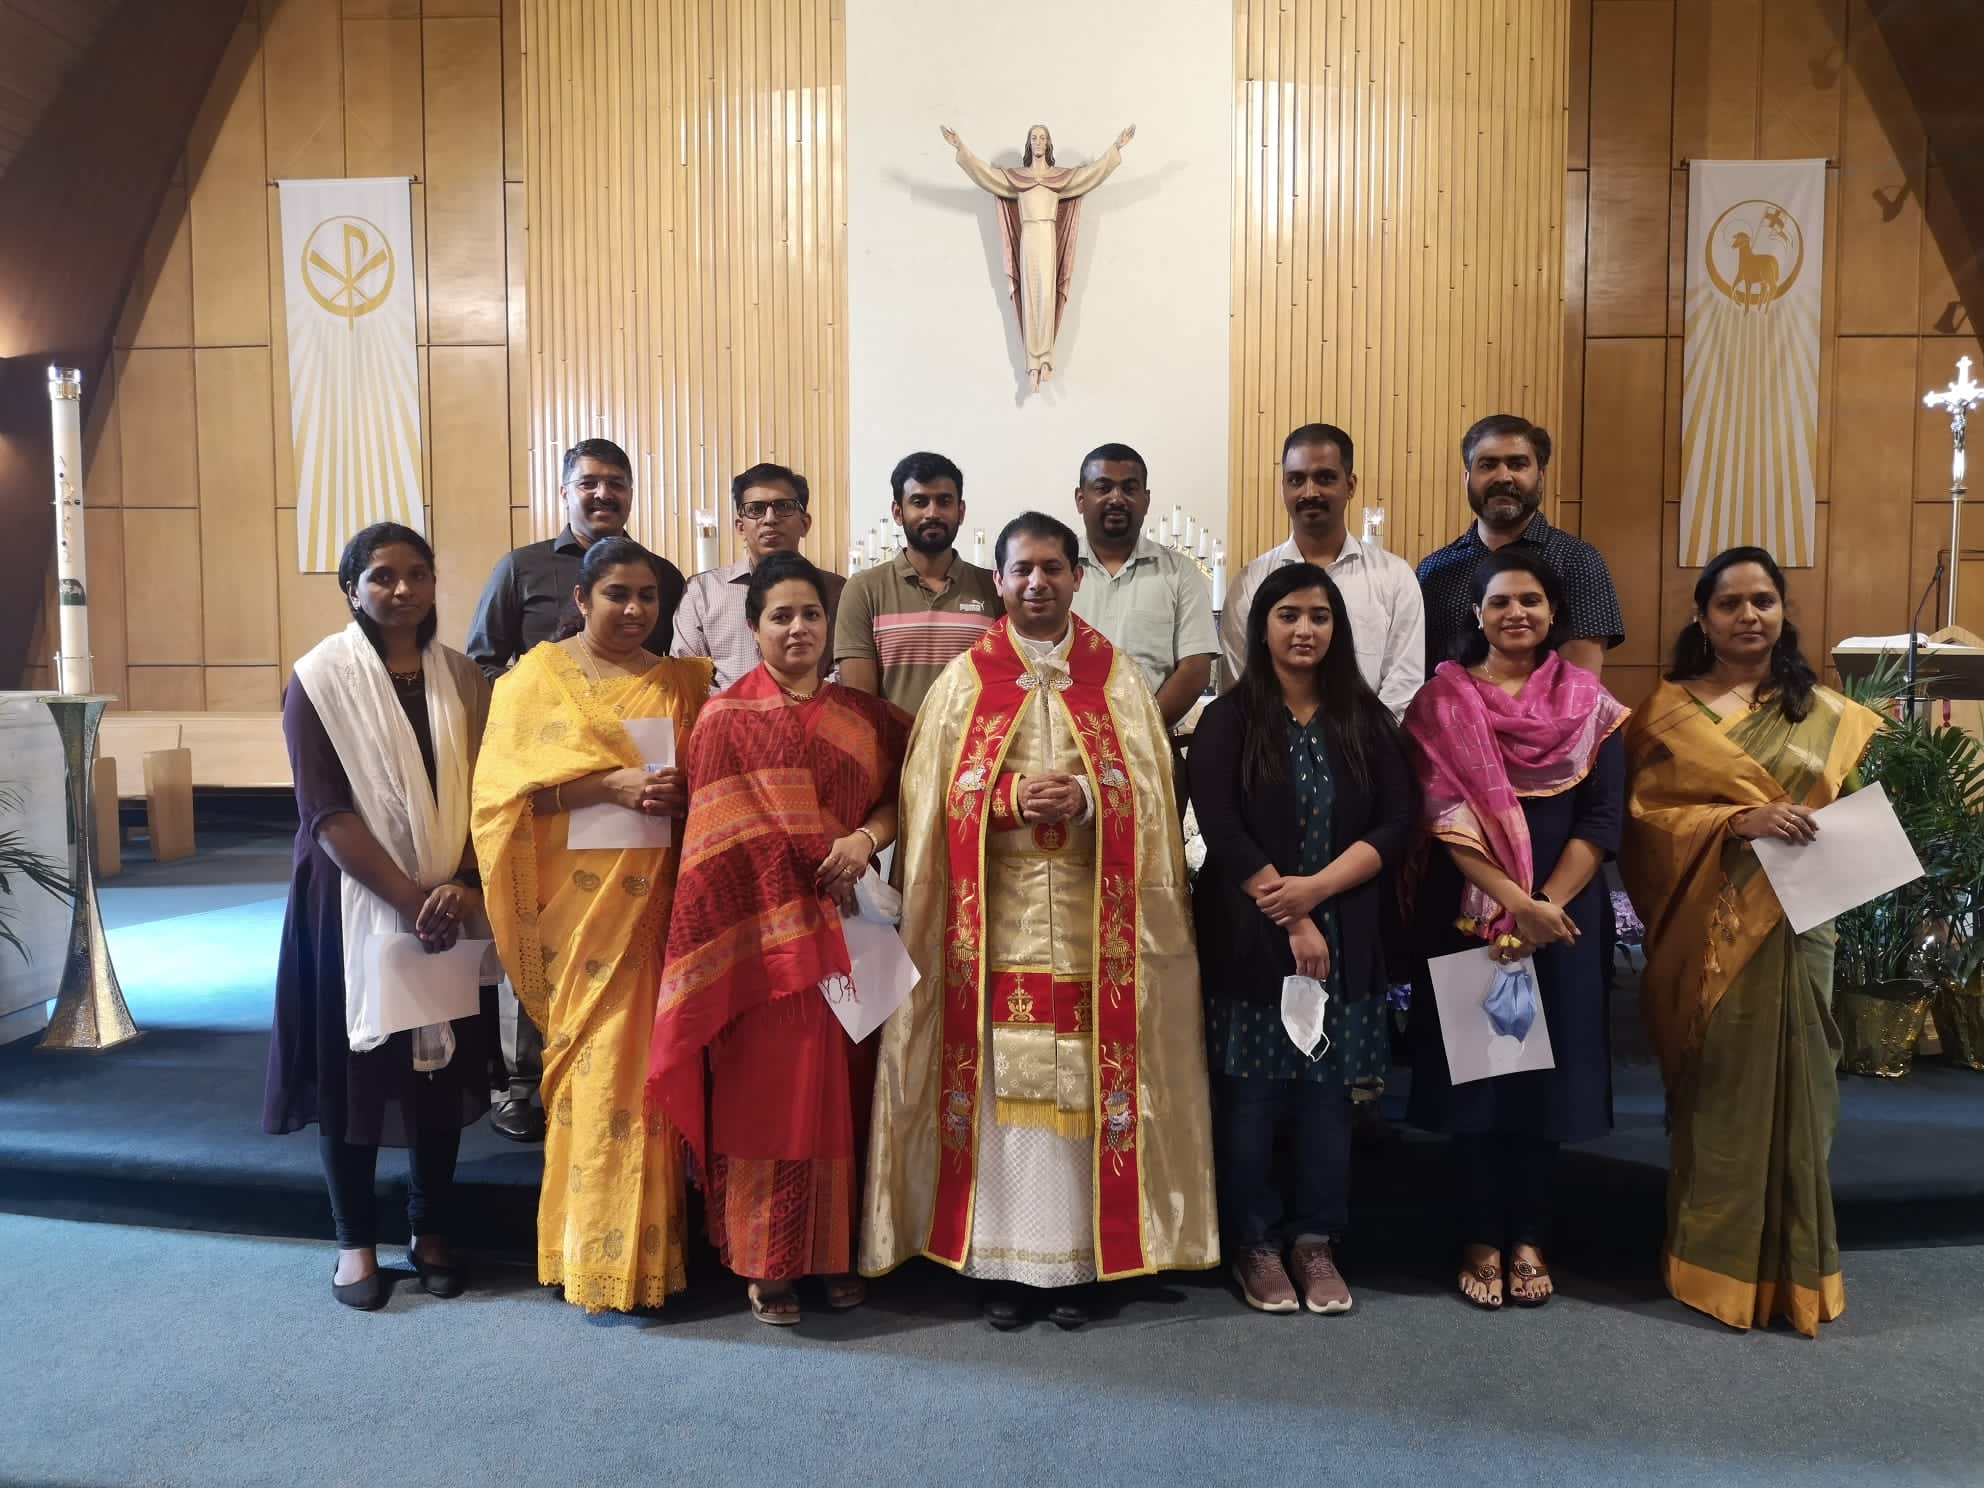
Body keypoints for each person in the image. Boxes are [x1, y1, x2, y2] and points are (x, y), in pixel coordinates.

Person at [860, 512, 1218, 1330]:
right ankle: (1003, 1261)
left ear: (1076, 577)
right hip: (993, 923)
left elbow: (1156, 796)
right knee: (998, 1082)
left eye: (1053, 568)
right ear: (999, 580)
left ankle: (1083, 1259)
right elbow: (928, 802)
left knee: (1089, 1077)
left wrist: (1091, 796)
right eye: (1021, 569)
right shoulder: (964, 682)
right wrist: (1011, 798)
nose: (1037, 583)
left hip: (1097, 921)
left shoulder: (1117, 679)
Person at [1621, 546, 1881, 1336]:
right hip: (1713, 928)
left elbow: (1852, 812)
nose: (1747, 615)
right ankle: (1712, 1266)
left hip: (1802, 928)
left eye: (1762, 600)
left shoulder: (1825, 713)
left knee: (1806, 1086)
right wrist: (1738, 821)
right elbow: (1644, 826)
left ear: (1782, 611)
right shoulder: (1667, 714)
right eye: (1729, 603)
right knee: (1722, 1092)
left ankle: (1798, 1274)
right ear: (1702, 618)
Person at [649, 552, 909, 1325]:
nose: (799, 628)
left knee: (849, 1097)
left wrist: (862, 840)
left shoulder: (865, 717)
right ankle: (768, 1260)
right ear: (753, 627)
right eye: (781, 616)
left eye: (811, 614)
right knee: (773, 1100)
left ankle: (836, 1250)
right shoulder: (723, 719)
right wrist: (787, 895)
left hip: (852, 934)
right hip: (761, 948)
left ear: (831, 625)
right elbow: (714, 846)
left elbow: (901, 797)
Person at [470, 536, 709, 1313]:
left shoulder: (683, 683)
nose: (635, 610)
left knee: (647, 1072)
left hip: (656, 907)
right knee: (592, 1070)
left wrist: (680, 795)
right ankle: (584, 1252)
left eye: (648, 597)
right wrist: (609, 786)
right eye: (617, 594)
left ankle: (648, 1256)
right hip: (575, 915)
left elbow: (711, 784)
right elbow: (504, 802)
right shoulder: (534, 681)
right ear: (580, 598)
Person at [264, 522, 495, 1311]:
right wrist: (410, 900)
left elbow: (488, 795)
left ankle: (431, 1232)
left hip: (448, 901)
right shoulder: (318, 679)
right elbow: (326, 813)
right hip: (351, 902)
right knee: (355, 1072)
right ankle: (353, 1242)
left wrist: (463, 883)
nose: (404, 590)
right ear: (351, 589)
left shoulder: (462, 678)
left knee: (439, 1076)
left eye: (418, 574)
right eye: (384, 576)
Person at [1401, 550, 1628, 1310]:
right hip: (1473, 913)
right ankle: (1479, 1235)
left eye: (1531, 600)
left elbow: (1602, 820)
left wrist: (1544, 907)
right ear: (1476, 614)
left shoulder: (1590, 704)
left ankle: (1529, 1236)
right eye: (1500, 601)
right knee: (1483, 1081)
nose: (1516, 613)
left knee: (1542, 1086)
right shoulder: (1442, 704)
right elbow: (1439, 817)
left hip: (1564, 917)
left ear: (1554, 612)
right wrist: (1513, 903)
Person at [1189, 564, 1417, 1313]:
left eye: (1319, 616)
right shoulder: (1228, 719)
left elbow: (1397, 822)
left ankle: (1316, 1240)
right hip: (1252, 936)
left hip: (1344, 935)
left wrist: (1316, 893)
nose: (1304, 629)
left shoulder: (1365, 719)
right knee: (1250, 1098)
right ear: (1262, 628)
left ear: (1337, 629)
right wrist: (1291, 914)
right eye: (1288, 614)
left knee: (1326, 1095)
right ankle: (1254, 1242)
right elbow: (1222, 827)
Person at [465, 436, 686, 1144]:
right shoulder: (521, 567)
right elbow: (482, 668)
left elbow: (661, 676)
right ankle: (522, 1086)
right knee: (541, 946)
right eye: (589, 482)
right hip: (549, 792)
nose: (603, 493)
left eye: (616, 483)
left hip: (642, 817)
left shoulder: (662, 570)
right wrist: (551, 718)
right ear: (565, 490)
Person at [1220, 425, 1425, 718]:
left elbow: (1404, 685)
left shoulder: (1394, 576)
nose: (1310, 492)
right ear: (1283, 487)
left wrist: (1364, 739)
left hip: (1369, 741)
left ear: (1350, 485)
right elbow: (1238, 680)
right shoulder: (1251, 581)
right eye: (1296, 480)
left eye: (1325, 478)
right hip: (1271, 740)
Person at [1416, 415, 1624, 678]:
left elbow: (1581, 687)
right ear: (1467, 478)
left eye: (1517, 464)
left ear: (1541, 476)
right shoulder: (1434, 569)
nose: (1503, 477)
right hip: (1447, 704)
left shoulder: (1578, 561)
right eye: (1488, 465)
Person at [939, 122, 1135, 392]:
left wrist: (1116, 148)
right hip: (1029, 238)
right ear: (1029, 143)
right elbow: (986, 175)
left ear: (1049, 143)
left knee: (1046, 297)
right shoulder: (1018, 179)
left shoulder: (1059, 179)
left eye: (1043, 137)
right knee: (1030, 298)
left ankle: (1046, 360)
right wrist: (961, 147)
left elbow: (1090, 175)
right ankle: (1033, 363)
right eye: (1034, 137)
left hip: (1048, 236)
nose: (1039, 141)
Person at [834, 450, 1000, 716]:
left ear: (961, 511)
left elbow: (1004, 688)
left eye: (944, 501)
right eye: (919, 502)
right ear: (898, 512)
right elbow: (860, 707)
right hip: (893, 743)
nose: (932, 513)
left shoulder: (994, 588)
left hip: (975, 743)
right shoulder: (863, 590)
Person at [1068, 442, 1218, 726]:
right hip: (1065, 740)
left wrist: (1139, 735)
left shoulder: (1179, 572)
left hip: (1150, 742)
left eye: (1129, 488)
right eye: (1103, 488)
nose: (1117, 498)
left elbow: (1195, 669)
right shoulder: (1056, 570)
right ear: (1080, 499)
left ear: (1146, 500)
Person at [673, 461, 847, 693]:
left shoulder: (837, 591)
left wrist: (799, 706)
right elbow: (687, 676)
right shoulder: (703, 591)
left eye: (783, 506)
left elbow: (844, 671)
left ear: (805, 524)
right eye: (756, 509)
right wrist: (737, 708)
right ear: (740, 527)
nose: (770, 518)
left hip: (815, 713)